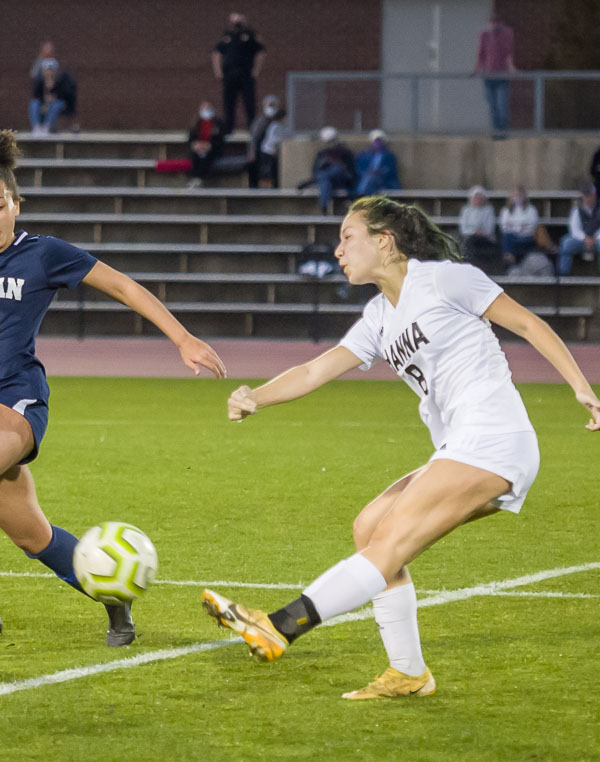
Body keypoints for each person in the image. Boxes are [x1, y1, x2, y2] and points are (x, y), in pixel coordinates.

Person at [203, 195, 600, 699]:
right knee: (370, 527)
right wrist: (255, 396)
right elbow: (316, 369)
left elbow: (528, 323)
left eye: (349, 237)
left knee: (388, 538)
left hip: (494, 438)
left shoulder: (445, 279)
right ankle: (408, 672)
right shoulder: (378, 316)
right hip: (463, 445)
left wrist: (582, 388)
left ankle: (280, 624)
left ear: (384, 241)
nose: (338, 249)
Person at [0, 120, 227, 645]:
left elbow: (121, 285)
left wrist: (183, 338)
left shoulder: (42, 252)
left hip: (14, 400)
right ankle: (114, 598)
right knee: (35, 536)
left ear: (16, 204)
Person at [212, 12, 265, 131]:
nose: (237, 24)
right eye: (235, 21)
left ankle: (252, 127)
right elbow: (216, 53)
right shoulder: (227, 36)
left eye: (239, 21)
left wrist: (256, 70)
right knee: (228, 102)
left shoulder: (251, 36)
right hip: (229, 74)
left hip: (245, 74)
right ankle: (228, 127)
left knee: (249, 102)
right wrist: (218, 71)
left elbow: (260, 52)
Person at [473, 13, 516, 137]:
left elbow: (509, 52)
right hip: (489, 76)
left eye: (497, 25)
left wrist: (511, 67)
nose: (494, 28)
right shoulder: (484, 35)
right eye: (492, 25)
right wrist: (477, 69)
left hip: (502, 76)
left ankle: (503, 132)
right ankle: (496, 133)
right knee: (493, 107)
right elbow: (480, 53)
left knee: (502, 106)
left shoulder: (506, 34)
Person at [311, 126, 356, 215]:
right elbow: (316, 170)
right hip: (327, 181)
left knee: (334, 170)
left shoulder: (345, 152)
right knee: (324, 179)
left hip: (341, 180)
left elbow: (351, 171)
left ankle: (323, 205)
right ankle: (324, 206)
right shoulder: (322, 153)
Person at [557, 182, 600, 276]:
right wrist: (585, 238)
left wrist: (594, 238)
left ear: (594, 195)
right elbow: (574, 229)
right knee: (566, 243)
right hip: (581, 240)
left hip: (597, 239)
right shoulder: (577, 208)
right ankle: (563, 275)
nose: (588, 198)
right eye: (586, 195)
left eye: (590, 195)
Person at [458, 185, 500, 272]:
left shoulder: (489, 210)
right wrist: (475, 231)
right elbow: (463, 229)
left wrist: (478, 232)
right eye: (475, 198)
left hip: (485, 239)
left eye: (480, 198)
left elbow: (489, 229)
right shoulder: (466, 211)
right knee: (469, 242)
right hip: (470, 238)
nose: (477, 200)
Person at [186, 101, 226, 188]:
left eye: (208, 108)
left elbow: (220, 140)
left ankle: (198, 178)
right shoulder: (196, 124)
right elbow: (191, 139)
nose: (206, 110)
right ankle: (195, 178)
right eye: (204, 108)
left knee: (205, 156)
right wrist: (195, 145)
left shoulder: (218, 124)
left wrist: (210, 145)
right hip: (199, 148)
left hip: (212, 149)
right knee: (197, 155)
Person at [28, 65, 75, 135]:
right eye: (47, 71)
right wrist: (45, 98)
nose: (49, 73)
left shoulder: (61, 80)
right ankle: (36, 127)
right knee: (33, 103)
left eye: (51, 71)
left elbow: (66, 95)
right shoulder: (40, 82)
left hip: (60, 103)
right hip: (44, 103)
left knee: (55, 104)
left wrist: (54, 92)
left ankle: (46, 127)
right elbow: (36, 96)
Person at [498, 186, 538, 266]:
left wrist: (516, 227)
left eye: (520, 195)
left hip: (526, 237)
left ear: (524, 197)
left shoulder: (531, 210)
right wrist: (518, 227)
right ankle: (509, 258)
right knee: (506, 236)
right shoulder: (506, 210)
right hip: (512, 237)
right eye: (515, 195)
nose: (517, 198)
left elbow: (532, 226)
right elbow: (504, 226)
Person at [245, 95, 280, 187]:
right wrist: (252, 152)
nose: (271, 108)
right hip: (261, 153)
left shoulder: (276, 121)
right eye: (270, 105)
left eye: (273, 106)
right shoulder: (261, 121)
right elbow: (254, 137)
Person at [355, 130, 401, 195]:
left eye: (380, 141)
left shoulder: (389, 156)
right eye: (376, 141)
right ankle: (362, 195)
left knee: (371, 177)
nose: (377, 143)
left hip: (383, 180)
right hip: (368, 179)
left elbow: (391, 170)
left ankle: (360, 195)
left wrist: (379, 171)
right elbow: (358, 170)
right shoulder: (364, 156)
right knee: (369, 177)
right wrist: (368, 171)